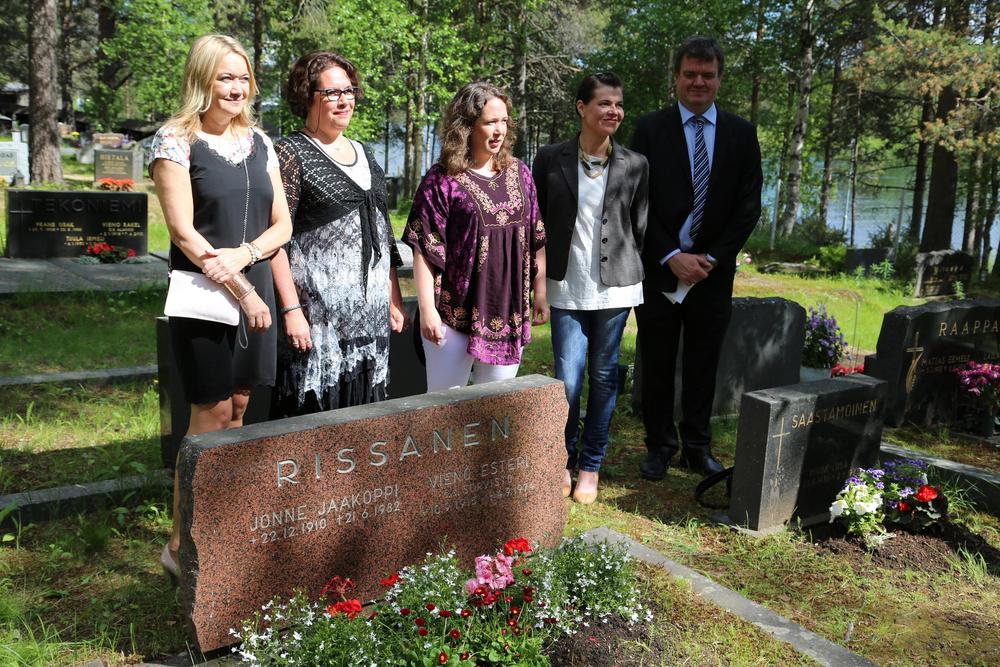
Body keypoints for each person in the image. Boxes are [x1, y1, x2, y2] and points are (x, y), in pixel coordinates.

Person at [150, 34, 292, 576]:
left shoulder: (260, 141)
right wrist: (243, 287)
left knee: (238, 408)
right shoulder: (175, 140)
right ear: (201, 79)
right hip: (206, 295)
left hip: (255, 292)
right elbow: (184, 234)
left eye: (243, 77)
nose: (236, 88)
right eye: (224, 77)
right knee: (207, 416)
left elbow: (282, 224)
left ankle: (222, 529)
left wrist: (249, 256)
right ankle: (179, 546)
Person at [631, 36, 762, 481]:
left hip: (712, 274)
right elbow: (637, 200)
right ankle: (659, 446)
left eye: (707, 75)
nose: (698, 82)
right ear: (676, 78)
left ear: (719, 79)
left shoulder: (741, 134)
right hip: (660, 269)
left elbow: (748, 205)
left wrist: (712, 258)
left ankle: (697, 447)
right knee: (657, 360)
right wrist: (670, 255)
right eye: (690, 74)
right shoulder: (650, 129)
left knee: (704, 362)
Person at [270, 52, 408, 417]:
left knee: (364, 420)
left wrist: (393, 295)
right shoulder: (290, 153)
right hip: (318, 324)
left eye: (349, 91)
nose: (345, 100)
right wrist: (291, 310)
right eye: (332, 93)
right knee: (316, 420)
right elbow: (275, 240)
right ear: (306, 95)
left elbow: (383, 231)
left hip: (369, 317)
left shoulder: (365, 152)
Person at [532, 73, 648, 504]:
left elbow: (639, 227)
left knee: (603, 375)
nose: (613, 111)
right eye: (604, 103)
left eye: (618, 104)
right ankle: (562, 458)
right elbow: (537, 224)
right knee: (567, 379)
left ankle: (591, 465)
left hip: (615, 289)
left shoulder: (636, 164)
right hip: (565, 284)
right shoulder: (550, 158)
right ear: (581, 108)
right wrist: (537, 282)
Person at [404, 81, 547, 391]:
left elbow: (535, 236)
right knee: (444, 409)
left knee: (494, 409)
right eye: (490, 122)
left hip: (507, 314)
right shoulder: (442, 180)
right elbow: (425, 248)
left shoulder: (520, 173)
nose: (499, 130)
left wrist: (541, 292)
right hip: (452, 316)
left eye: (504, 121)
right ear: (467, 126)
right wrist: (427, 310)